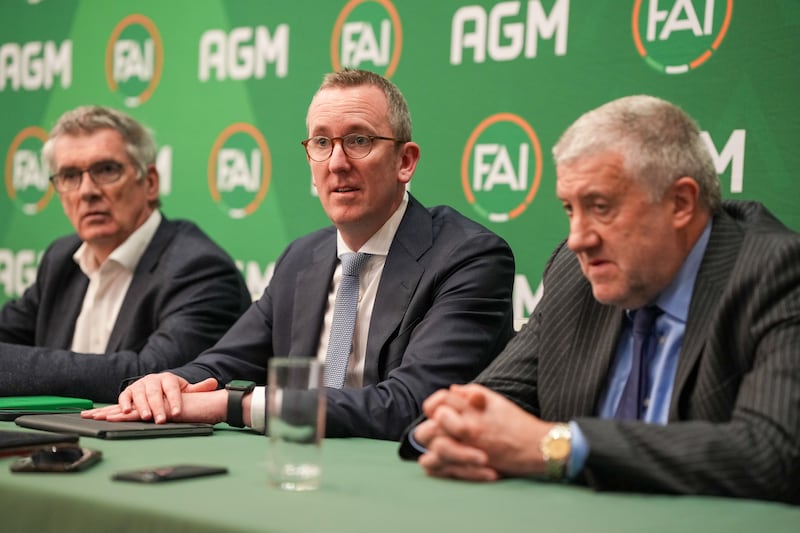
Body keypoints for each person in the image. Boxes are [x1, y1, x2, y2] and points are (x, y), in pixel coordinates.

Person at [399, 95, 800, 504]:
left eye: (601, 207)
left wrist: (559, 447)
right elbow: (487, 403)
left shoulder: (779, 274)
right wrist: (449, 429)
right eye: (570, 210)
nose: (578, 239)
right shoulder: (575, 274)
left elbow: (776, 452)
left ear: (680, 203)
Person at [83, 69, 515, 440]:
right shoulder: (302, 258)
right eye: (322, 142)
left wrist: (235, 405)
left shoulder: (468, 258)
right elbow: (226, 360)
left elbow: (412, 404)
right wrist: (169, 383)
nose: (337, 163)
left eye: (359, 140)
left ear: (405, 161)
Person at [0, 106, 251, 403]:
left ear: (150, 182)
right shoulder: (61, 258)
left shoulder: (199, 268)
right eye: (69, 175)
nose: (87, 191)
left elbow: (153, 377)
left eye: (107, 170)